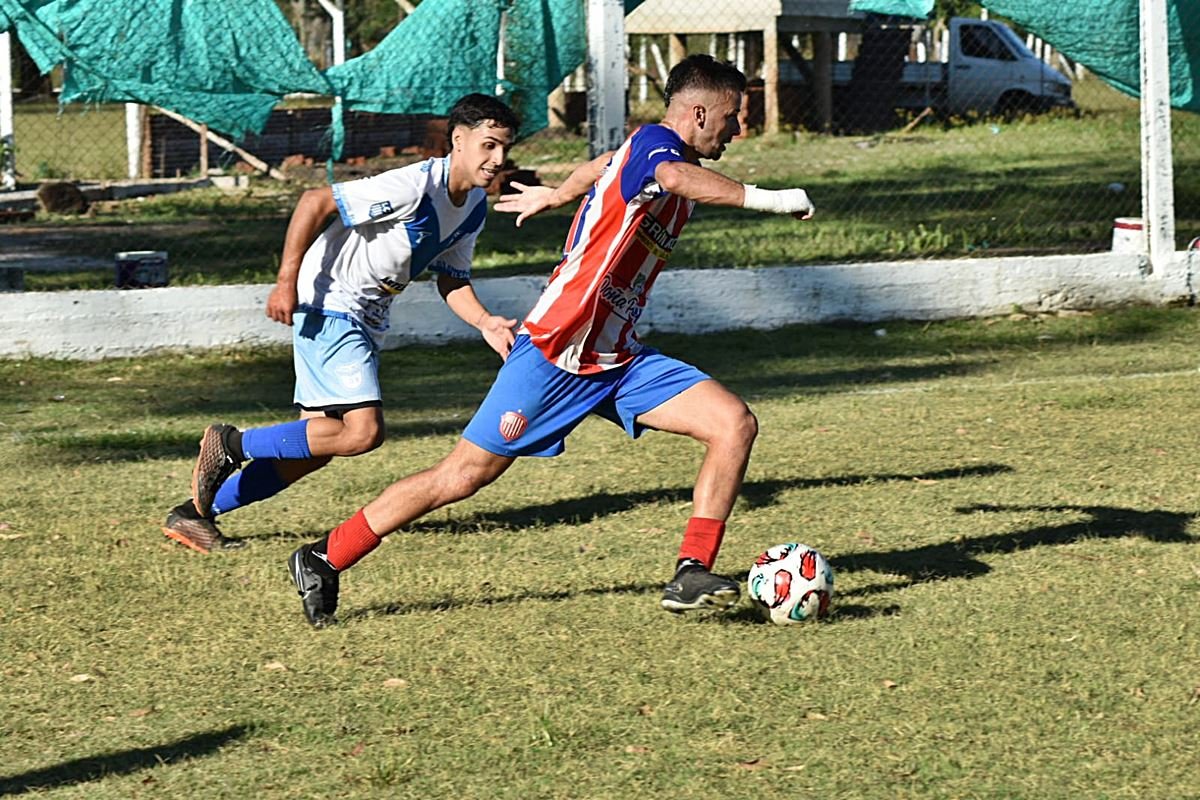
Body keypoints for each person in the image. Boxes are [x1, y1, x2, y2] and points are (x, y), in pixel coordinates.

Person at [281, 54, 815, 627]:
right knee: (462, 476)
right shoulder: (659, 150)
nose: (738, 130)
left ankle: (692, 572)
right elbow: (672, 178)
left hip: (616, 357)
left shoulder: (653, 155)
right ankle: (323, 557)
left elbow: (604, 166)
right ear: (701, 113)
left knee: (733, 423)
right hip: (555, 352)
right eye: (732, 117)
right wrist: (775, 198)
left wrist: (556, 194)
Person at [163, 93, 521, 554]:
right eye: (489, 145)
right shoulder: (415, 185)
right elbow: (314, 202)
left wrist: (486, 322)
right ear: (458, 140)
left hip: (366, 316)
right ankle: (231, 444)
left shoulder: (472, 208)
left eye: (505, 147)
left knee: (314, 450)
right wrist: (285, 282)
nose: (498, 159)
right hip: (333, 303)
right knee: (362, 432)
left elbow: (452, 279)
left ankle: (193, 514)